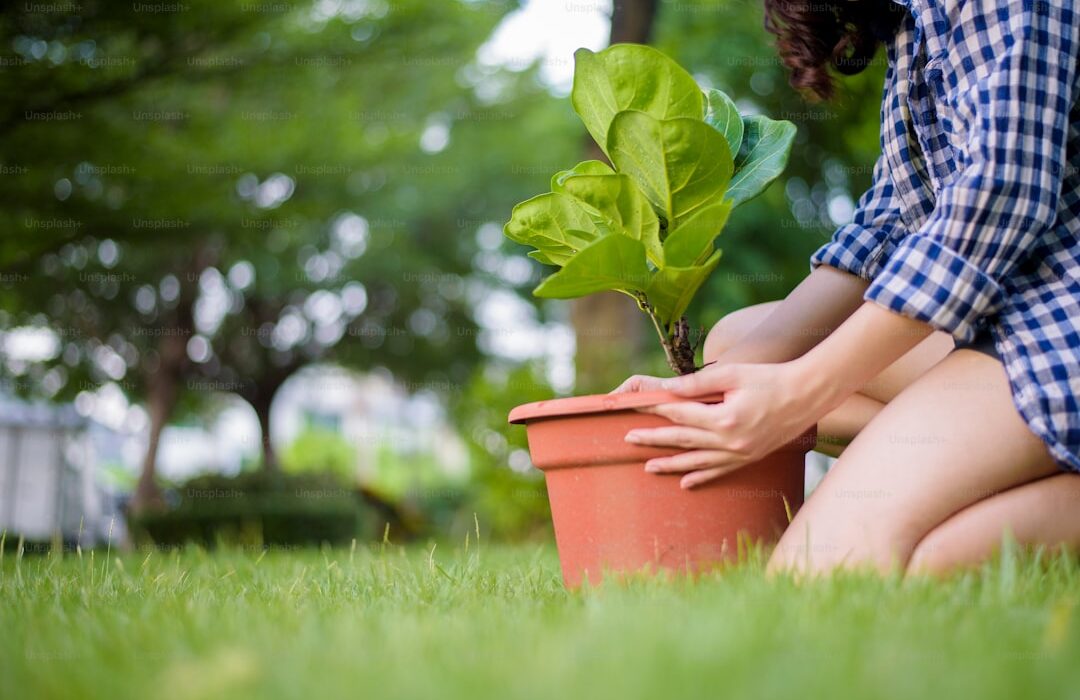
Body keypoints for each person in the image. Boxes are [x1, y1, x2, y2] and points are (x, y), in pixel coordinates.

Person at [614, 0, 1080, 576]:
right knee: (737, 347)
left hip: (1059, 323)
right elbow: (888, 223)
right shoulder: (919, 21)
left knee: (830, 571)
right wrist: (697, 393)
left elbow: (999, 199)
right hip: (1008, 317)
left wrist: (797, 395)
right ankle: (993, 459)